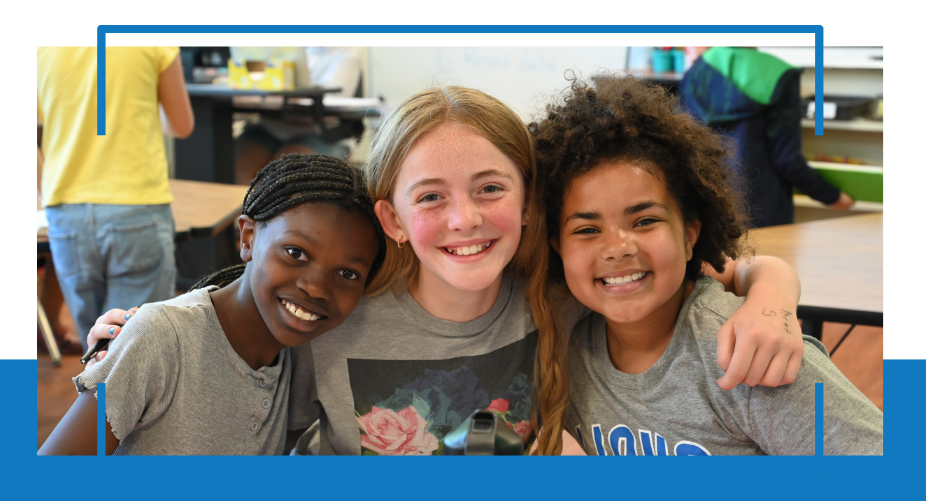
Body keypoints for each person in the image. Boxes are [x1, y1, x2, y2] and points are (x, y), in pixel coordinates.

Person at [88, 85, 812, 456]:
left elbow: (708, 265)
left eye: (490, 188)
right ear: (393, 219)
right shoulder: (340, 310)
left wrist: (771, 286)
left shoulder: (559, 294)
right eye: (432, 197)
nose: (464, 219)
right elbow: (252, 316)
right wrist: (143, 328)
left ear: (531, 201)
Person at [533, 76, 882, 455]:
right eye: (587, 229)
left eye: (645, 220)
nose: (617, 248)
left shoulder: (748, 354)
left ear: (689, 236)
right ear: (558, 247)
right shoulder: (564, 337)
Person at [37, 154, 385, 455]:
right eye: (296, 253)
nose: (317, 288)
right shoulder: (161, 339)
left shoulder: (297, 359)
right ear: (248, 237)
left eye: (347, 273)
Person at [36, 46, 193, 350]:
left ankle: (101, 399)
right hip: (135, 207)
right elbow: (181, 124)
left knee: (96, 350)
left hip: (66, 213)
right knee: (137, 349)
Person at [680, 47, 854, 228]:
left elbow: (685, 142)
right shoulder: (778, 75)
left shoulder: (698, 69)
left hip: (708, 207)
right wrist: (832, 196)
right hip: (762, 211)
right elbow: (787, 160)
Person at [234, 47, 365, 185]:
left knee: (277, 183)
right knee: (232, 175)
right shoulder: (281, 46)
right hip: (271, 127)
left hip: (322, 133)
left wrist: (271, 100)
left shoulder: (347, 53)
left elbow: (329, 106)